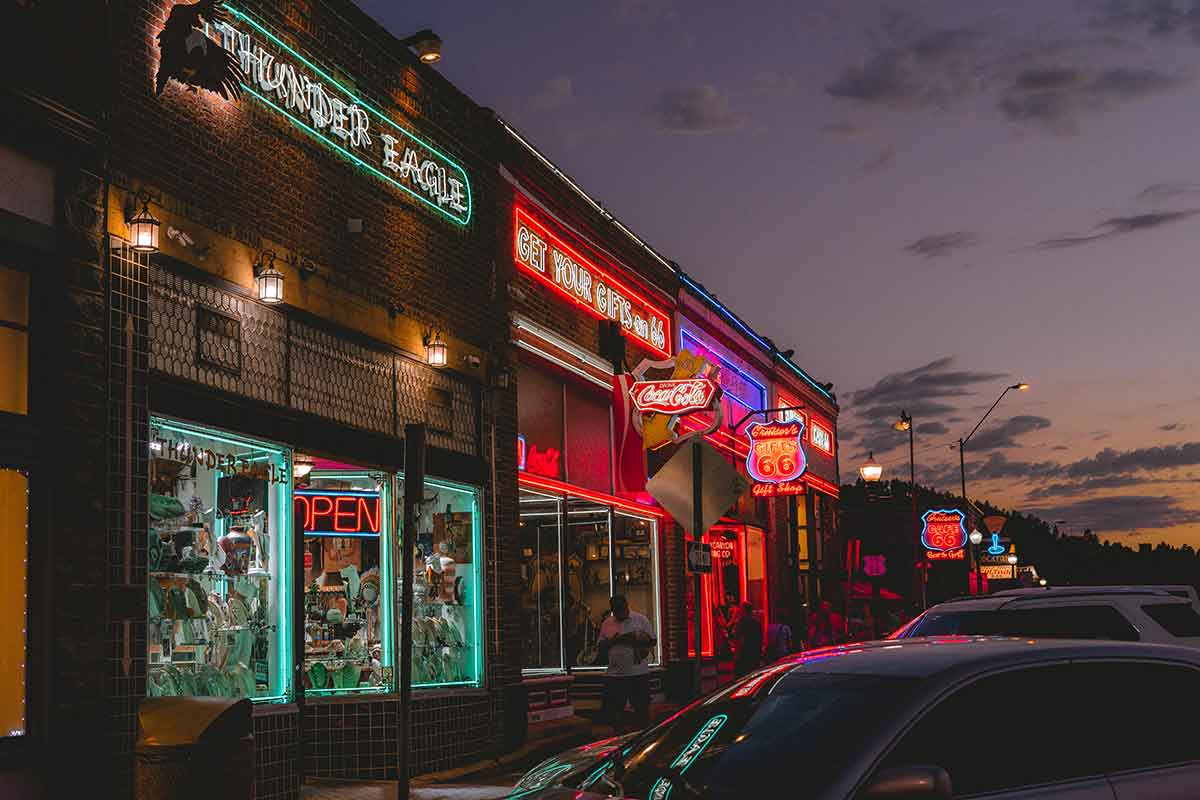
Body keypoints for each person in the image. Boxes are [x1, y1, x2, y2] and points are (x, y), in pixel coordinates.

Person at [598, 594, 656, 732]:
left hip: (638, 673)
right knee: (614, 713)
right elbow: (600, 645)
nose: (619, 613)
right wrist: (615, 640)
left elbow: (652, 640)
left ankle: (642, 736)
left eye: (621, 609)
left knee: (641, 710)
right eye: (616, 610)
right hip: (615, 675)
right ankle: (618, 737)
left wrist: (638, 641)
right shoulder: (607, 623)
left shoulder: (640, 620)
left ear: (626, 606)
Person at [733, 601, 763, 676]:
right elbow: (760, 639)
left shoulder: (742, 622)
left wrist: (737, 653)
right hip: (754, 654)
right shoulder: (756, 622)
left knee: (742, 677)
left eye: (740, 609)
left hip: (744, 655)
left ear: (744, 610)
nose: (739, 611)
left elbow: (739, 639)